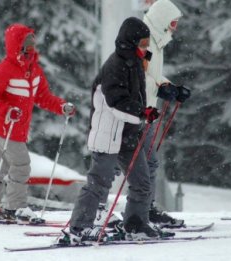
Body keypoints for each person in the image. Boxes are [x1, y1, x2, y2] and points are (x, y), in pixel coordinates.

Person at [60, 17, 165, 245]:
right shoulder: (114, 66)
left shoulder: (136, 63)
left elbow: (138, 95)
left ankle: (135, 224)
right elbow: (116, 102)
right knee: (99, 182)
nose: (146, 48)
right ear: (131, 42)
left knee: (142, 181)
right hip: (108, 135)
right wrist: (142, 113)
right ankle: (80, 228)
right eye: (143, 43)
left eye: (147, 43)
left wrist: (146, 110)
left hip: (127, 135)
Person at [0, 23, 75, 222]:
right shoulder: (4, 69)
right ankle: (16, 208)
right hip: (4, 126)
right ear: (15, 44)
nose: (31, 46)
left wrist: (61, 107)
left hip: (18, 128)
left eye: (32, 42)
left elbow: (43, 96)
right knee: (21, 164)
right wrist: (7, 110)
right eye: (26, 42)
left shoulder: (34, 70)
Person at [142, 0, 187, 228]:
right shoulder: (146, 41)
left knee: (149, 163)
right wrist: (160, 88)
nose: (174, 28)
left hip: (148, 111)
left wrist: (171, 87)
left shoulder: (156, 42)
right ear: (161, 19)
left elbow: (152, 74)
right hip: (139, 111)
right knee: (142, 163)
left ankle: (145, 209)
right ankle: (141, 211)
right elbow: (139, 76)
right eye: (172, 22)